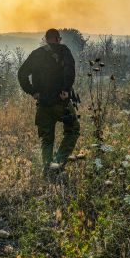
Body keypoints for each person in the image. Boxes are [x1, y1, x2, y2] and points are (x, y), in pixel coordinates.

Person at [17, 28, 80, 175]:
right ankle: (57, 163)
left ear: (46, 39)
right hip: (61, 102)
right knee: (73, 131)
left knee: (47, 139)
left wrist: (33, 92)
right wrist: (66, 90)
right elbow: (70, 70)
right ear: (58, 39)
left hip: (44, 103)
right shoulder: (64, 51)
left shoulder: (37, 54)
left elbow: (22, 74)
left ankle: (47, 169)